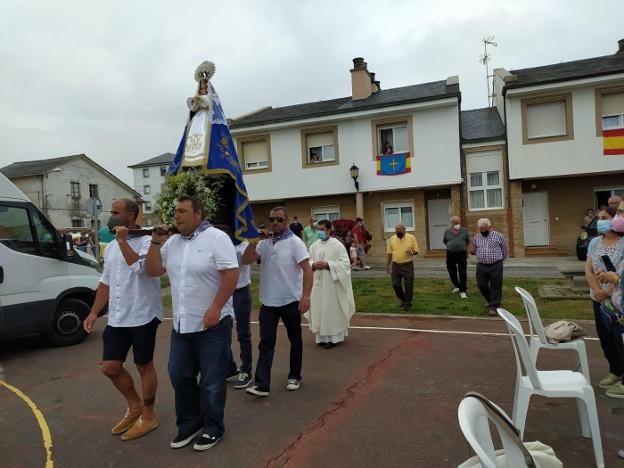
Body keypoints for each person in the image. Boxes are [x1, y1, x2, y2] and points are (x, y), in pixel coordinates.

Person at [146, 195, 239, 451]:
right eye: (175, 211)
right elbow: (153, 271)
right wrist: (155, 242)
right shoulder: (172, 242)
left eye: (183, 211)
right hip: (181, 325)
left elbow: (232, 274)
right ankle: (189, 423)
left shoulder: (217, 239)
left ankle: (213, 427)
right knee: (179, 375)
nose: (177, 215)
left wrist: (216, 307)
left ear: (198, 214)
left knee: (211, 380)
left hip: (212, 325)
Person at [83, 199, 162, 441]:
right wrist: (94, 311)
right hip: (117, 317)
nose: (111, 215)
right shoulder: (112, 247)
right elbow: (105, 282)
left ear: (130, 216)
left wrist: (122, 240)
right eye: (111, 211)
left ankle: (148, 415)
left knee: (143, 366)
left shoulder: (149, 241)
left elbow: (140, 269)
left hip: (143, 315)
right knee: (110, 367)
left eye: (115, 212)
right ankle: (135, 405)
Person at [241, 206, 312, 397]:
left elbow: (307, 270)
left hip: (290, 300)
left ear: (287, 221)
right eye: (272, 219)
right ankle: (262, 384)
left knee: (295, 339)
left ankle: (295, 375)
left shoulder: (295, 243)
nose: (275, 223)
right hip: (268, 302)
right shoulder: (263, 244)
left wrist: (306, 297)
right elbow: (246, 260)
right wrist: (253, 240)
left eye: (280, 220)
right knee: (265, 342)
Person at [586, 206, 624, 391]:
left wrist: (608, 291)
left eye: (605, 217)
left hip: (617, 298)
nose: (600, 221)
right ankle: (615, 370)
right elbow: (588, 270)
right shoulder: (594, 243)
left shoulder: (623, 242)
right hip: (599, 298)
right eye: (599, 217)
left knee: (620, 337)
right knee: (605, 336)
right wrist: (597, 291)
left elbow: (620, 272)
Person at [305, 220, 355, 349]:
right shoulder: (314, 245)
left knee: (330, 309)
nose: (319, 232)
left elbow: (345, 264)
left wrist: (328, 265)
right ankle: (321, 338)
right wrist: (314, 265)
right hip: (317, 284)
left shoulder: (337, 245)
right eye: (318, 229)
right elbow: (307, 261)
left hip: (332, 285)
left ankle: (333, 338)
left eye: (322, 229)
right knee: (319, 309)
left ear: (329, 230)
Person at [225, 238, 254, 389]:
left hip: (240, 291)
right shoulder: (220, 240)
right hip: (223, 291)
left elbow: (246, 260)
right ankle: (230, 368)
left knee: (243, 333)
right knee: (222, 331)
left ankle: (246, 369)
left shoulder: (244, 244)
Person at [470, 218, 508, 317]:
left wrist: (499, 261)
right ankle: (491, 300)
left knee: (496, 286)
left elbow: (504, 250)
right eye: (481, 229)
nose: (483, 231)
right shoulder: (476, 238)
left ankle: (494, 307)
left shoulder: (499, 236)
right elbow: (475, 249)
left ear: (490, 227)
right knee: (481, 285)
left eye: (484, 229)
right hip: (481, 265)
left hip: (496, 265)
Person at [386, 223, 419, 311]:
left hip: (408, 265)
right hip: (396, 266)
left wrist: (411, 253)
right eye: (396, 230)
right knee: (395, 285)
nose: (398, 231)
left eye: (399, 230)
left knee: (409, 285)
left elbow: (416, 251)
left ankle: (408, 303)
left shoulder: (411, 238)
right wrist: (388, 265)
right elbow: (389, 253)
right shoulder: (392, 239)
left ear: (404, 229)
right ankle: (403, 299)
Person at [443, 215, 470, 299]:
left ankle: (463, 290)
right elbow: (445, 241)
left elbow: (468, 241)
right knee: (451, 270)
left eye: (458, 223)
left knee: (462, 272)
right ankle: (457, 286)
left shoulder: (465, 231)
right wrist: (451, 246)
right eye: (455, 223)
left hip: (461, 253)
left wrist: (463, 247)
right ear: (452, 223)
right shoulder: (447, 231)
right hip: (450, 253)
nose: (457, 224)